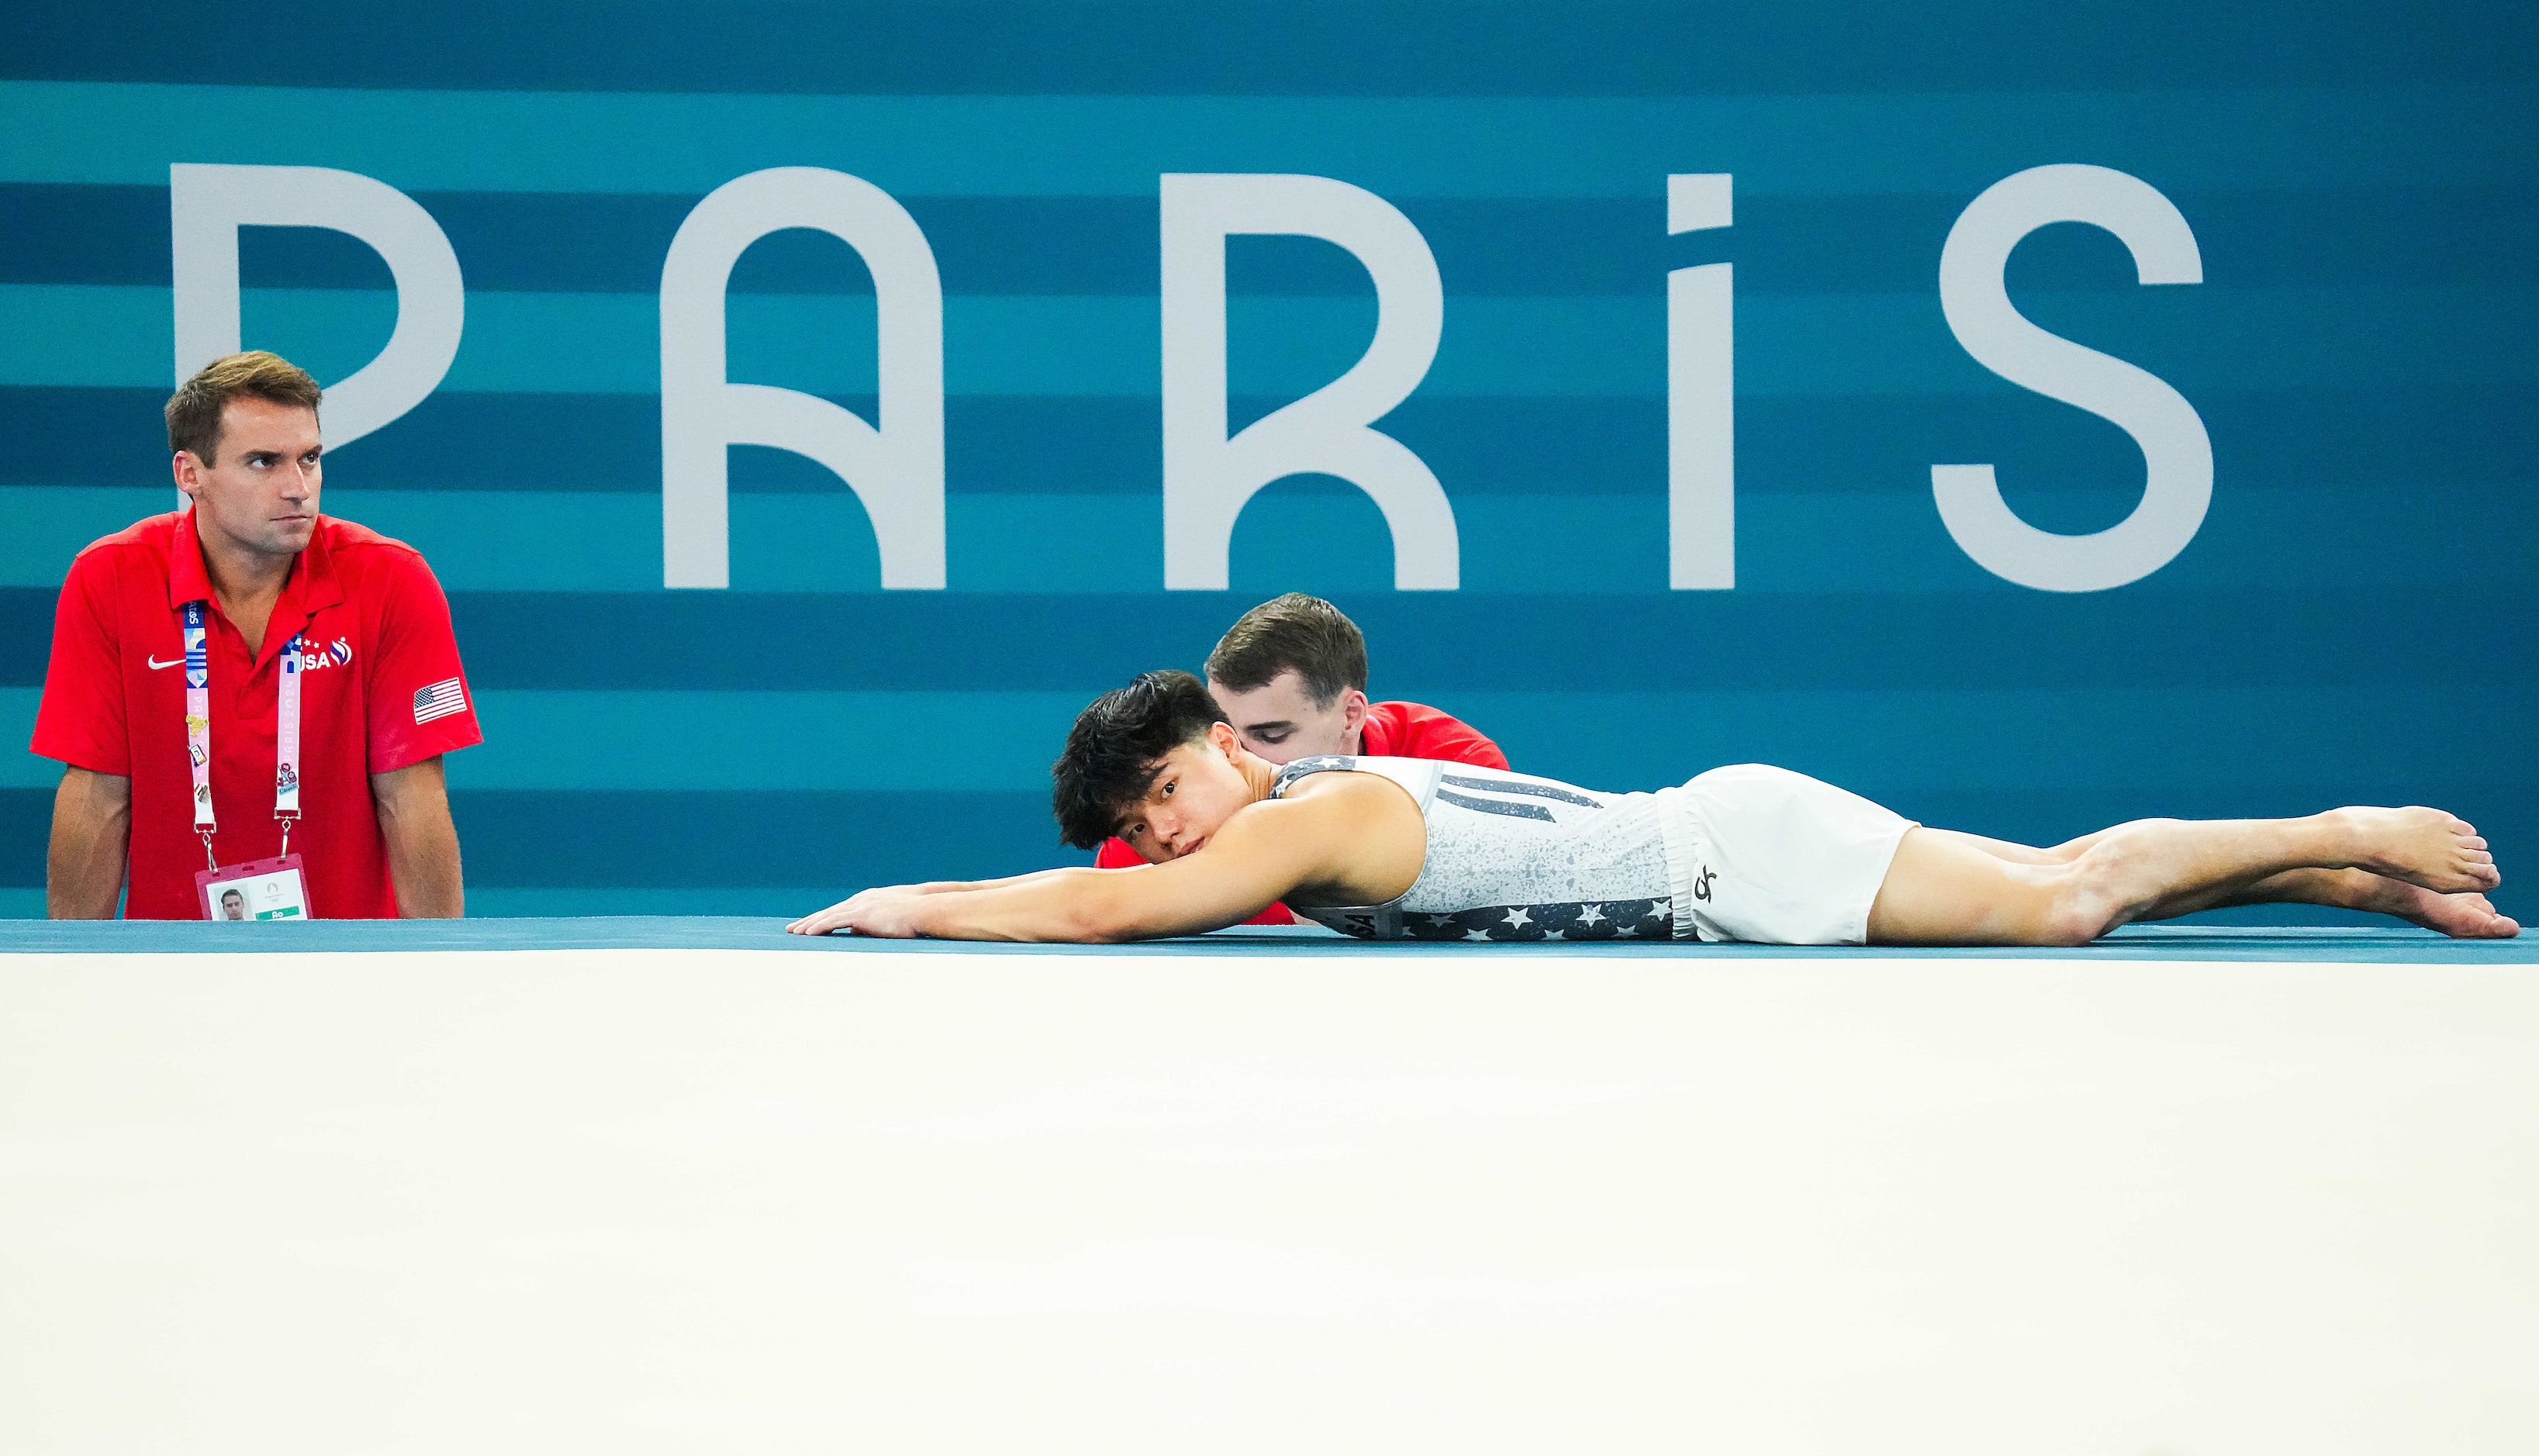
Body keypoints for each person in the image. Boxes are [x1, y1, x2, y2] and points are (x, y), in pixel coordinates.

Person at [789, 670, 2517, 944]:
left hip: (1726, 854)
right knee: (2063, 891)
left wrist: (899, 904)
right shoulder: (1279, 802)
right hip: (1719, 840)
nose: (1159, 835)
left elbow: (1094, 911)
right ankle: (2339, 878)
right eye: (1141, 815)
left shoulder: (1294, 819)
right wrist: (940, 888)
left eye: (1164, 789)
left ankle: (2339, 815)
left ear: (1229, 750)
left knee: (2064, 899)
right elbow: (1095, 884)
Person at [35, 351, 481, 919]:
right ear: (189, 473)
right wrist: (75, 970)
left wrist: (438, 968)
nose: (298, 488)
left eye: (310, 458)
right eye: (264, 462)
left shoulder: (391, 578)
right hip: (171, 964)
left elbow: (412, 798)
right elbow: (98, 797)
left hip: (350, 963)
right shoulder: (110, 577)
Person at [1093, 594, 1505, 923]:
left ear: (1350, 715)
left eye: (1271, 735)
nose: (1238, 758)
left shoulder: (1458, 767)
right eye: (1224, 737)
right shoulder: (1156, 829)